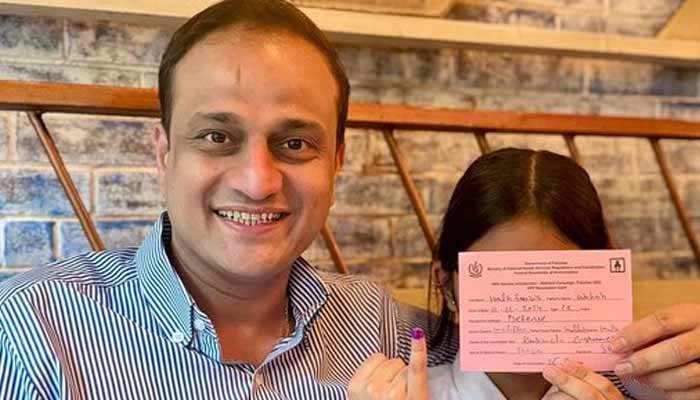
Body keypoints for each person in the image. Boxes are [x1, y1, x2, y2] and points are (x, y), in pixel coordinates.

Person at [0, 1, 452, 398]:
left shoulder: (377, 321)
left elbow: (495, 361)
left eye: (294, 144)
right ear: (164, 155)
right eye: (217, 137)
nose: (257, 182)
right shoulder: (31, 332)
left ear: (336, 164)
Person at [350, 148, 700, 400]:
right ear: (447, 284)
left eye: (559, 279)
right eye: (500, 281)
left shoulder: (661, 388)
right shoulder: (406, 395)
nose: (529, 306)